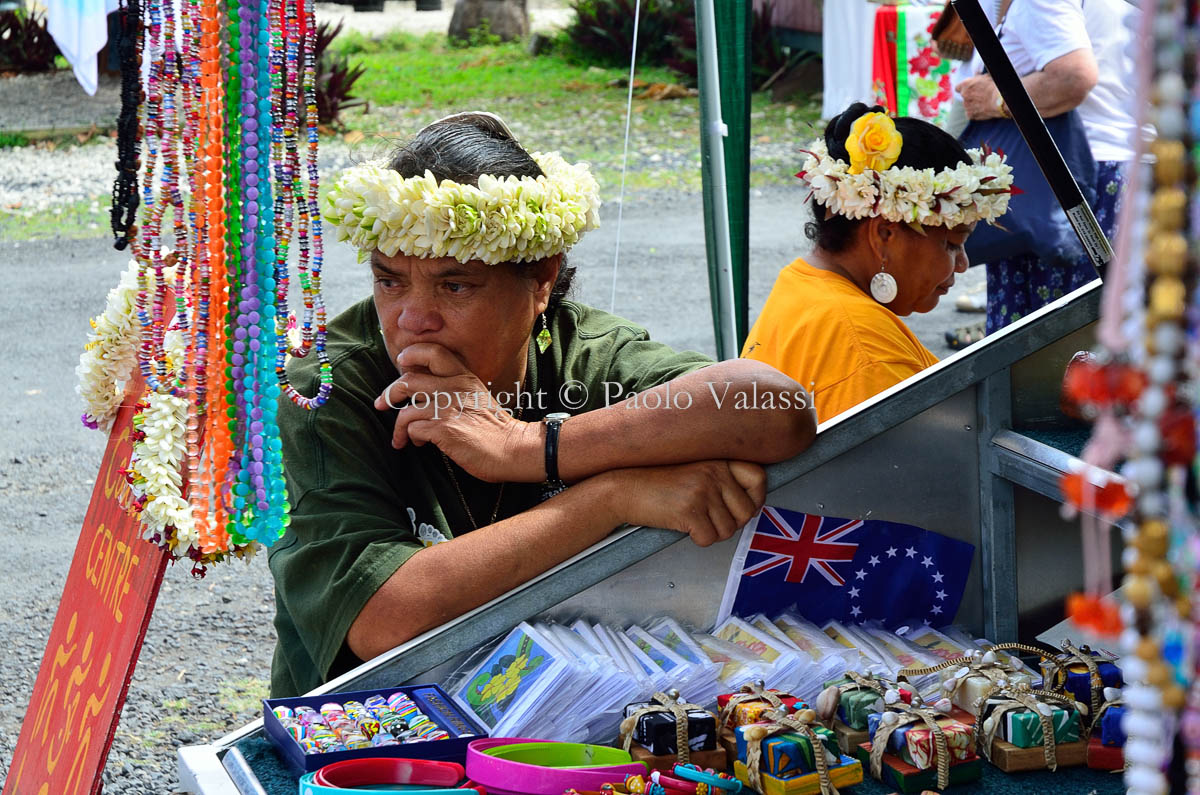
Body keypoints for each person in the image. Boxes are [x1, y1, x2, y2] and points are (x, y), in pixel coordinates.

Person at [268, 112, 819, 697]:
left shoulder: (581, 353)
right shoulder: (327, 385)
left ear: (541, 281)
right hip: (364, 736)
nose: (412, 319)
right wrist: (612, 497)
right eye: (389, 281)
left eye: (455, 286)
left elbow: (775, 407)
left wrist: (528, 447)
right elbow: (385, 617)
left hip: (555, 709)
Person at [742, 103, 1014, 423]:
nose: (963, 265)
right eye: (952, 244)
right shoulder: (865, 350)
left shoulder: (801, 283)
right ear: (885, 233)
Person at [953, 0, 1138, 333]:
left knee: (1051, 342)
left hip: (1066, 182)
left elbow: (1073, 77)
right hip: (1093, 172)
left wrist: (996, 98)